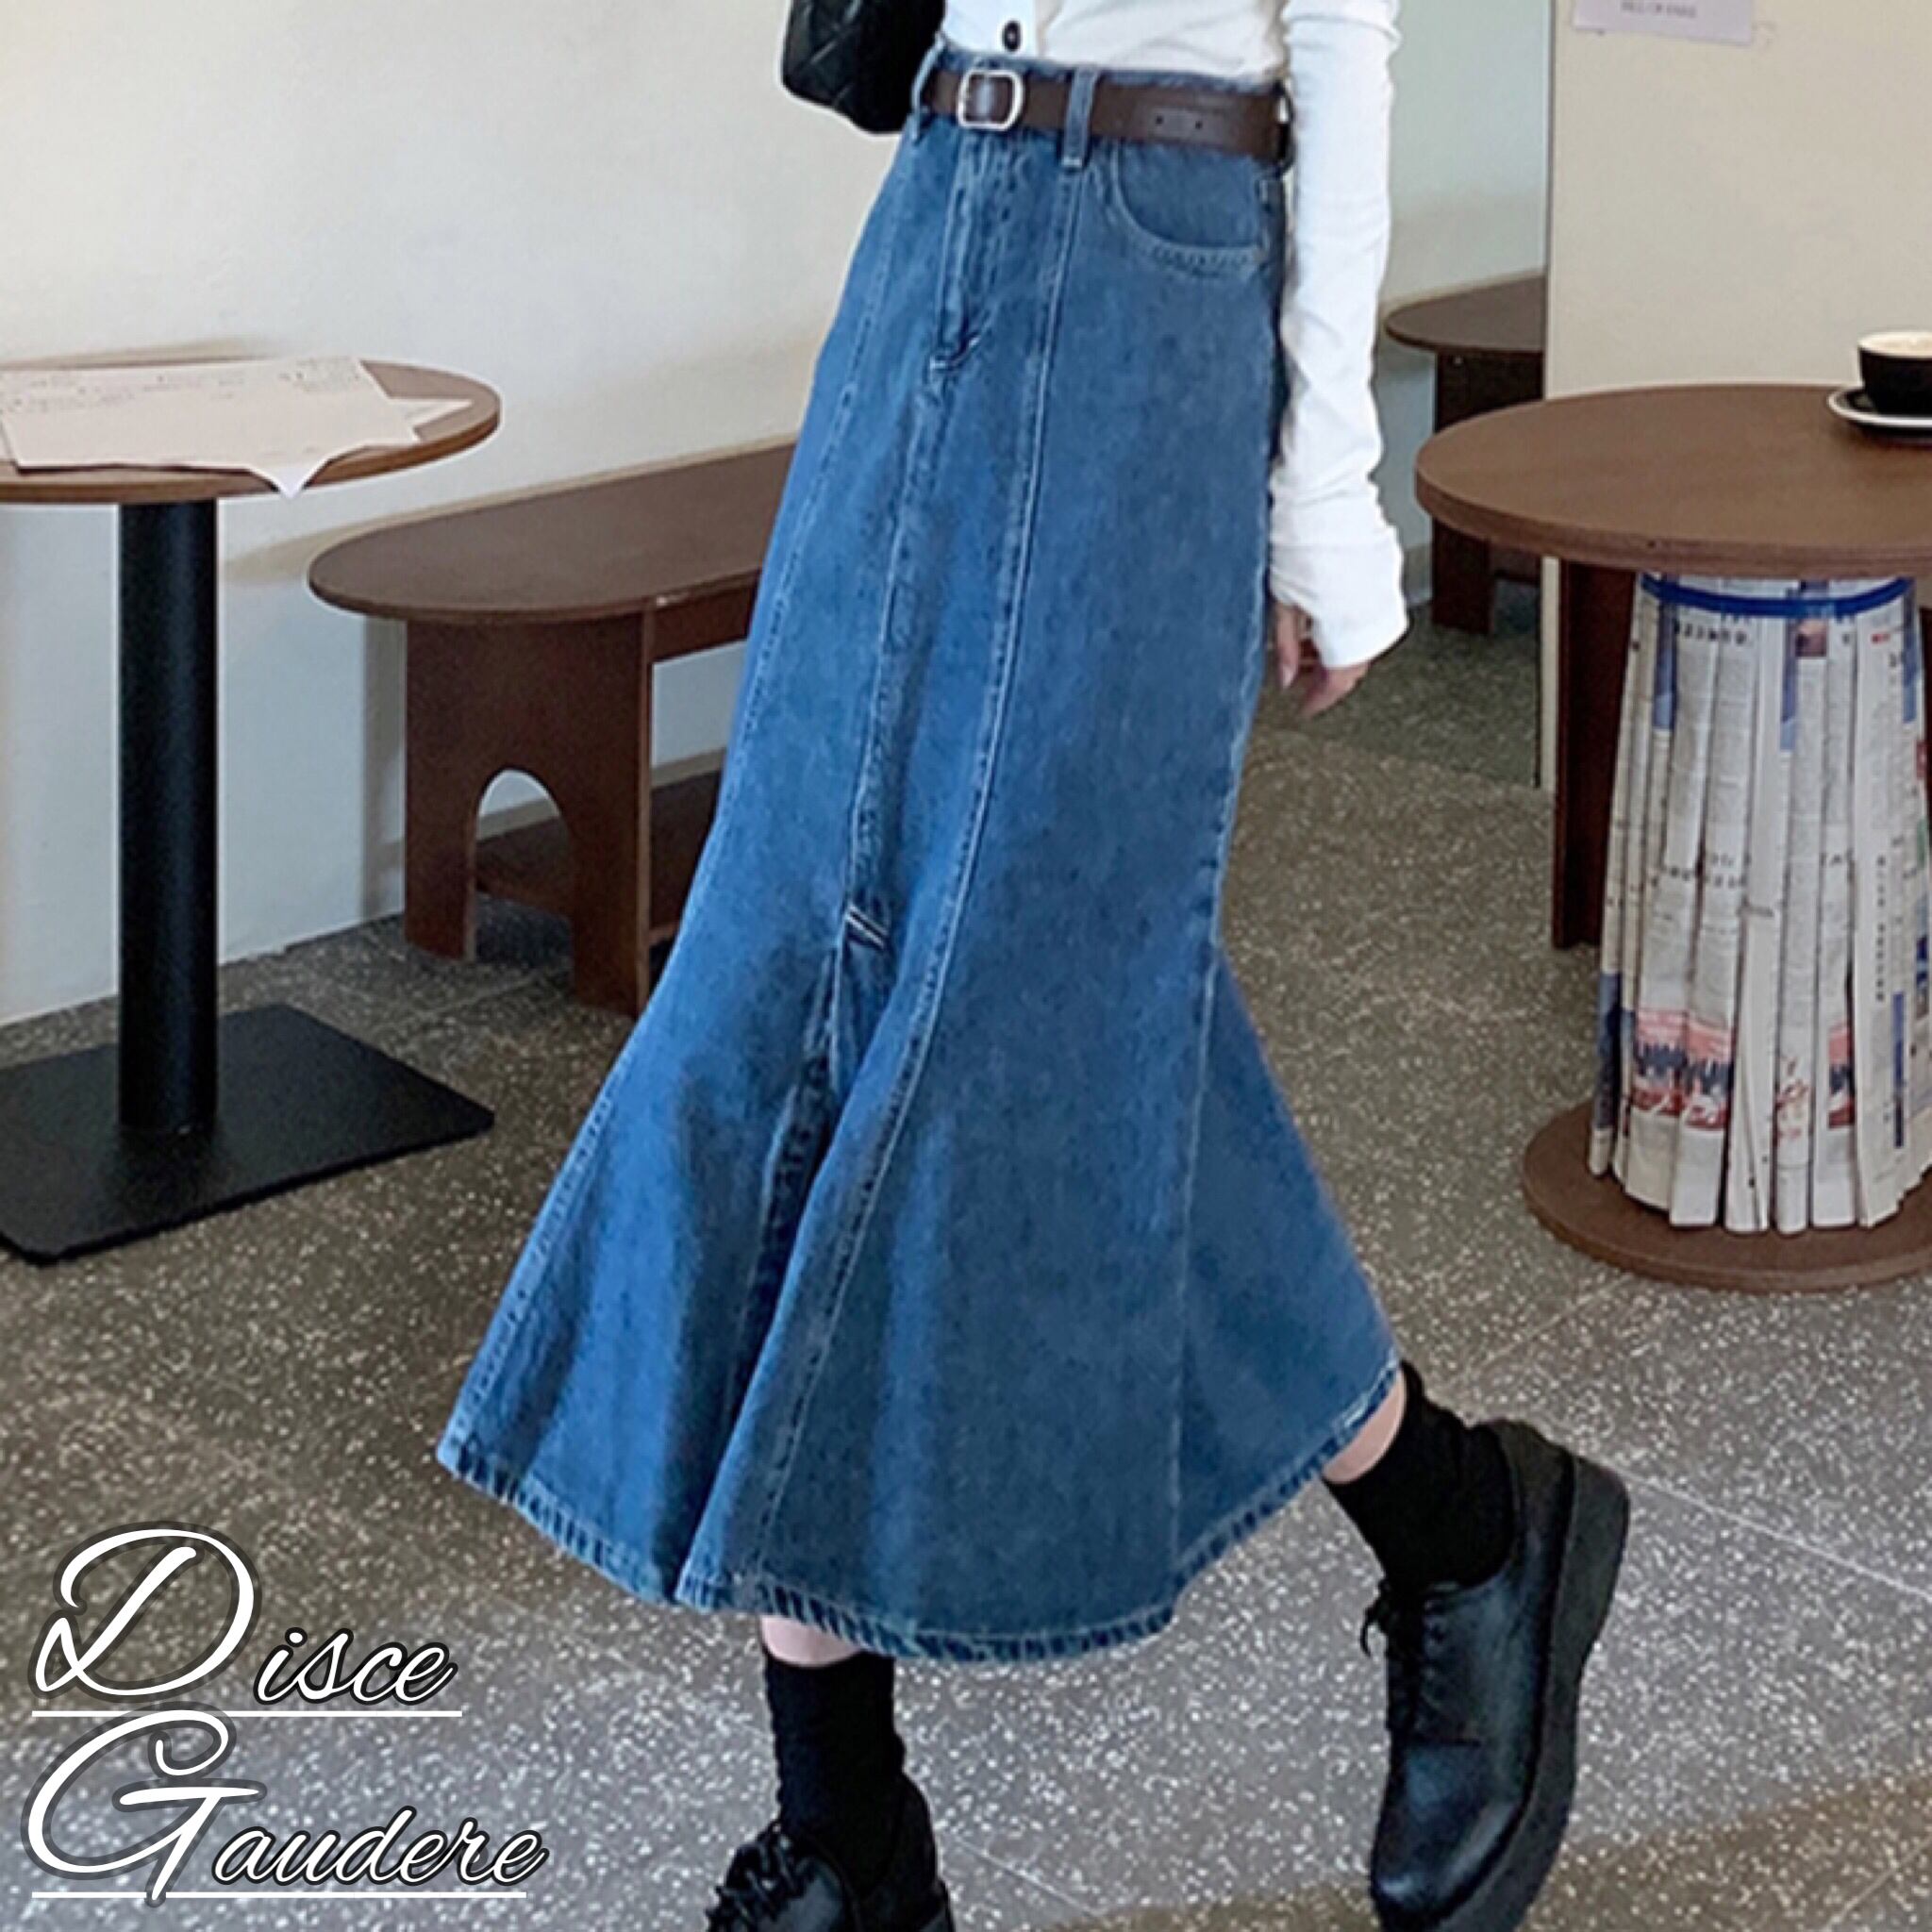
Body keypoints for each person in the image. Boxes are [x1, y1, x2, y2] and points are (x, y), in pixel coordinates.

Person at [435, 3, 1631, 1927]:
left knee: (1036, 990)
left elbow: (1342, 36)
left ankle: (1462, 1530)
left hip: (1159, 251)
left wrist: (1327, 489)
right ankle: (857, 1822)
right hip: (939, 210)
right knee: (781, 970)